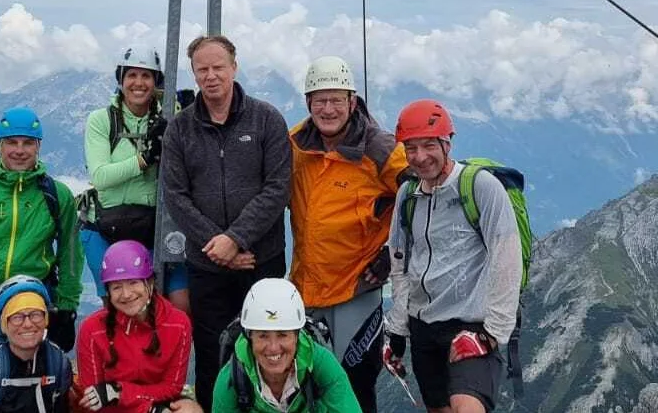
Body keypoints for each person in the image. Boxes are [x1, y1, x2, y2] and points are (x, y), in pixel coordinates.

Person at [161, 35, 292, 412]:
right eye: (202, 69)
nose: (211, 75)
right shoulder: (180, 129)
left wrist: (235, 239)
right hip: (206, 265)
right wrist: (218, 248)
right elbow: (176, 196)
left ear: (234, 67)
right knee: (212, 353)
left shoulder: (266, 119)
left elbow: (277, 188)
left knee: (270, 348)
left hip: (261, 260)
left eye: (218, 67)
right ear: (194, 73)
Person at [383, 100, 523, 413]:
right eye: (411, 148)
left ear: (447, 143)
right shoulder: (407, 194)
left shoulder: (480, 187)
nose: (420, 157)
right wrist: (397, 333)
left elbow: (507, 261)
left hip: (471, 325)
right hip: (423, 328)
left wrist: (491, 336)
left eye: (429, 145)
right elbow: (400, 264)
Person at [287, 56, 408, 413]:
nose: (327, 109)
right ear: (308, 103)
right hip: (305, 288)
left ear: (352, 102)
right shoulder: (295, 145)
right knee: (304, 385)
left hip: (357, 291)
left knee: (355, 385)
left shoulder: (379, 148)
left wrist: (392, 253)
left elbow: (420, 197)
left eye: (336, 99)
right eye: (319, 100)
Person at [0, 106, 84, 352]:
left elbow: (71, 252)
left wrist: (67, 307)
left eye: (27, 143)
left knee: (39, 383)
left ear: (38, 146)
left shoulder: (56, 195)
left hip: (36, 308)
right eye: (11, 142)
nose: (19, 150)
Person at [81, 47, 189, 313]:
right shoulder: (102, 120)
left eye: (146, 76)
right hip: (106, 227)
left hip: (153, 227)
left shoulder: (170, 117)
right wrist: (145, 159)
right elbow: (101, 176)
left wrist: (189, 120)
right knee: (119, 310)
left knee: (178, 306)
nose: (138, 83)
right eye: (132, 75)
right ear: (121, 79)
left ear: (156, 82)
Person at [76, 240, 201, 413]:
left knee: (190, 410)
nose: (126, 294)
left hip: (157, 406)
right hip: (120, 410)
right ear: (108, 292)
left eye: (133, 283)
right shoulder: (92, 330)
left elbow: (172, 387)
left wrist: (120, 391)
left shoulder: (178, 324)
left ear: (150, 283)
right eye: (117, 287)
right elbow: (94, 400)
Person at [213, 278, 360, 413]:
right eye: (263, 335)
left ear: (297, 336)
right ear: (249, 337)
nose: (273, 347)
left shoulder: (321, 365)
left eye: (282, 334)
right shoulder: (231, 378)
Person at [0, 275, 73, 413]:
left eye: (35, 314)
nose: (27, 324)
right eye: (16, 317)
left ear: (46, 320)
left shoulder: (58, 364)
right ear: (3, 325)